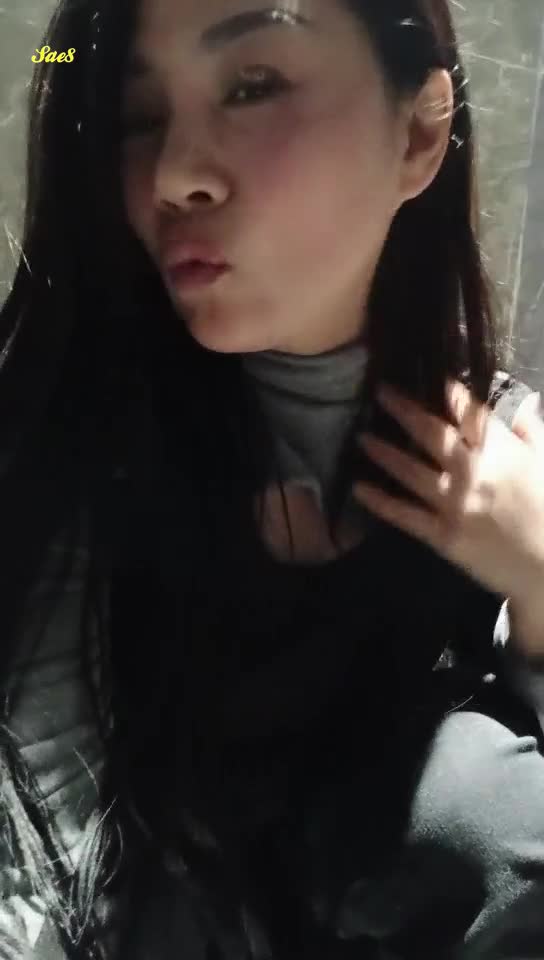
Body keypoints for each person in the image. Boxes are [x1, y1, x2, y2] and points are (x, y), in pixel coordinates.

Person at [2, 0, 544, 957]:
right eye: (139, 117)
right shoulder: (63, 448)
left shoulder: (522, 463)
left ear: (420, 133)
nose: (174, 175)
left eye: (253, 86)